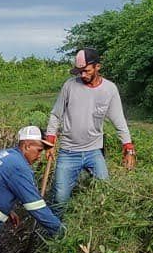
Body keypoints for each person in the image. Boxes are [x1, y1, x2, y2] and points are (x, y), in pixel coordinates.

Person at [44, 48, 136, 216]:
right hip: (68, 152)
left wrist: (128, 147)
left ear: (97, 67)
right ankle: (56, 233)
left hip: (94, 151)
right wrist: (50, 141)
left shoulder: (109, 90)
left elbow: (119, 120)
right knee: (60, 198)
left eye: (86, 71)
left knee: (105, 191)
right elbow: (56, 114)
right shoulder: (70, 86)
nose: (83, 75)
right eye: (80, 71)